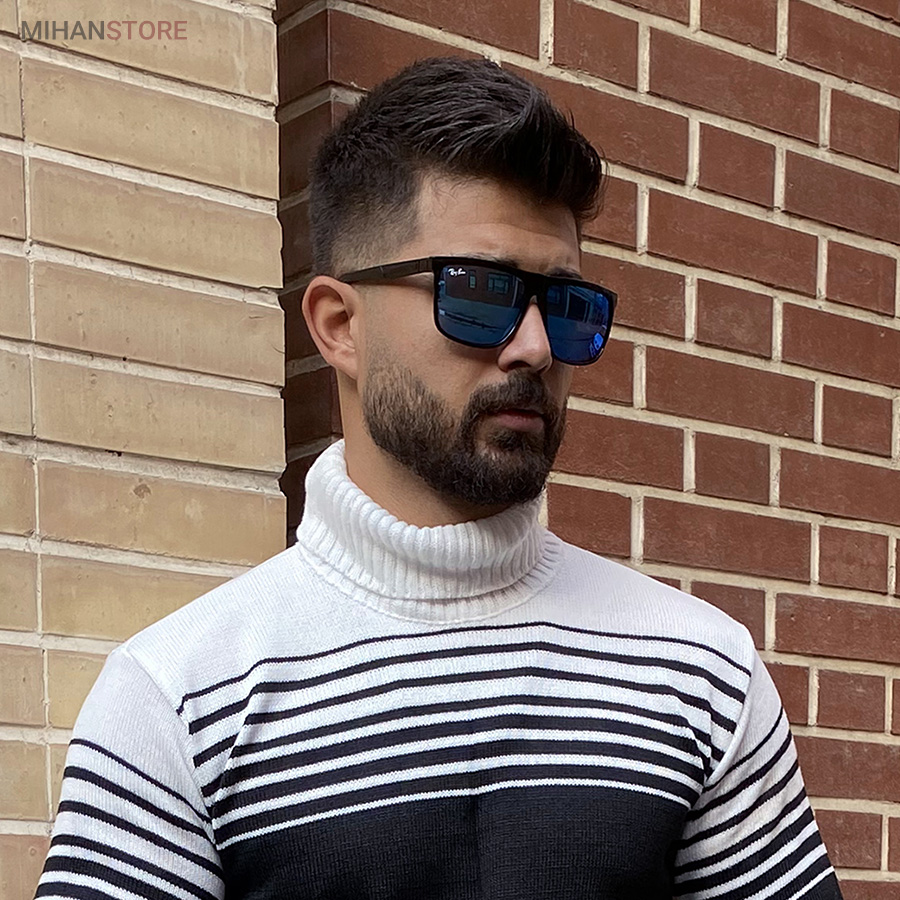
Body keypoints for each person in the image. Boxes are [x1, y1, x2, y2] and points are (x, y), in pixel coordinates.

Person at [35, 57, 842, 900]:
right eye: (482, 294)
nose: (535, 347)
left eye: (566, 307)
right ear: (339, 325)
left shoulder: (698, 670)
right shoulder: (179, 700)